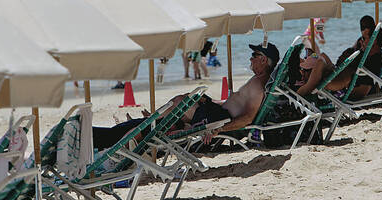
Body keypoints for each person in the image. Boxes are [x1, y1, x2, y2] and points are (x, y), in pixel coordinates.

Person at [92, 42, 280, 149]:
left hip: (219, 119)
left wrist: (219, 130)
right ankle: (151, 122)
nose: (250, 58)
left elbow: (247, 118)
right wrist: (212, 100)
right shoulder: (257, 82)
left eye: (254, 55)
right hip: (218, 112)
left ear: (264, 60)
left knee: (180, 102)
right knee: (185, 101)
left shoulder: (258, 85)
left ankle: (150, 122)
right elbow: (236, 104)